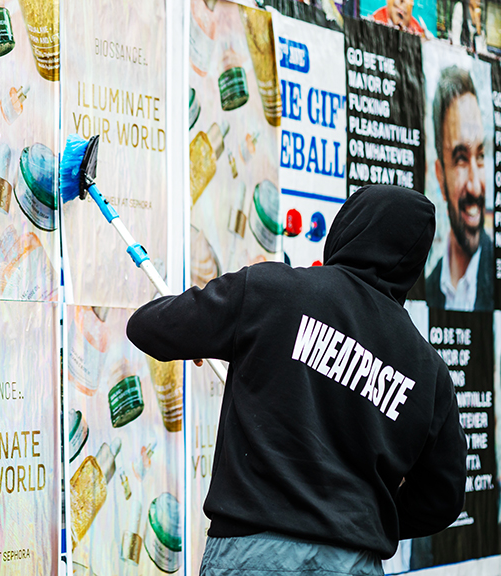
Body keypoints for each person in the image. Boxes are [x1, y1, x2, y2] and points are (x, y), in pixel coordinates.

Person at [127, 185, 466, 575]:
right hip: (354, 561)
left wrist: (218, 332)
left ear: (349, 227)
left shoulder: (274, 292)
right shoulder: (429, 373)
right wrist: (366, 519)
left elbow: (148, 327)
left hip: (252, 554)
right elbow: (441, 498)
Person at [425, 66, 490, 312]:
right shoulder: (427, 288)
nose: (475, 186)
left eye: (481, 156)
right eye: (461, 159)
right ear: (440, 177)